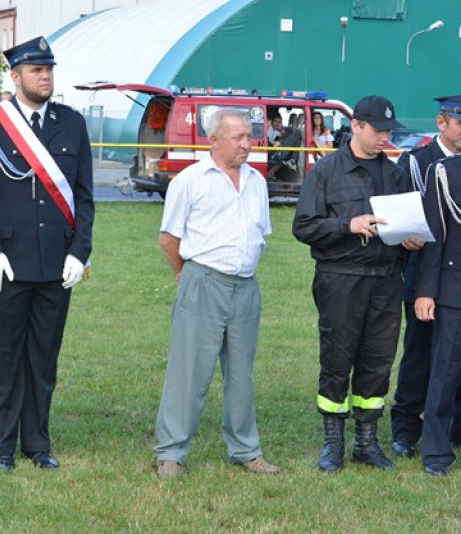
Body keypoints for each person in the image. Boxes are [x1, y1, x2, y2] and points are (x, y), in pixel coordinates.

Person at [0, 36, 94, 471]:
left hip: (56, 264)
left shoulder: (71, 124)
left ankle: (37, 443)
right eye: (37, 70)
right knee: (4, 355)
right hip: (8, 262)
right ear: (15, 76)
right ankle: (1, 443)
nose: (46, 76)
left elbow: (84, 197)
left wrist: (80, 251)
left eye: (49, 69)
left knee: (43, 358)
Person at [292, 95, 424, 473]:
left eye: (389, 130)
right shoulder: (327, 171)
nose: (386, 136)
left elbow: (405, 223)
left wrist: (410, 237)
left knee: (378, 362)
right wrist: (345, 225)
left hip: (385, 280)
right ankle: (333, 441)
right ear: (357, 127)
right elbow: (303, 226)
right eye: (379, 130)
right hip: (340, 280)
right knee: (337, 359)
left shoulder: (395, 174)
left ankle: (367, 443)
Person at [154, 109, 278, 478]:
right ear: (214, 140)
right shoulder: (190, 181)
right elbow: (168, 238)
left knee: (241, 374)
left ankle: (245, 450)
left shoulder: (257, 181)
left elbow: (260, 234)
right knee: (189, 371)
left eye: (249, 137)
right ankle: (171, 452)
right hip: (204, 282)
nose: (247, 144)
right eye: (238, 137)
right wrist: (185, 274)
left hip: (246, 288)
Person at [391, 95, 461, 459]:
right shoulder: (417, 162)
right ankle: (405, 428)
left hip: (456, 273)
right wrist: (405, 235)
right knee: (419, 353)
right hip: (422, 270)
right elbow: (396, 208)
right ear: (441, 123)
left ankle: (452, 426)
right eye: (459, 122)